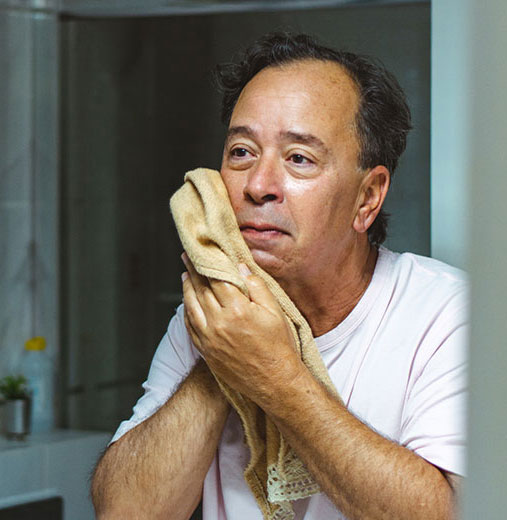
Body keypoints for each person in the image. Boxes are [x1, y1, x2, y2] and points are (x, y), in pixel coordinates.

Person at [90, 32, 467, 520]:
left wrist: (274, 375)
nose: (257, 185)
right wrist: (221, 358)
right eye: (241, 152)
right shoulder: (208, 316)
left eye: (299, 159)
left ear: (367, 198)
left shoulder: (447, 317)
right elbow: (123, 512)